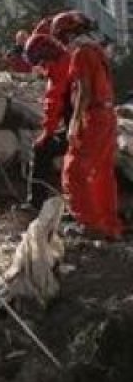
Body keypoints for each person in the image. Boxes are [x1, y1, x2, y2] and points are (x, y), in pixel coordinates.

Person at [52, 12, 122, 238]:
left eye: (61, 37)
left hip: (93, 116)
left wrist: (75, 122)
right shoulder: (96, 50)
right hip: (107, 114)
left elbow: (84, 91)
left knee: (73, 170)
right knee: (103, 173)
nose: (62, 43)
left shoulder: (81, 53)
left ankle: (89, 225)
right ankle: (109, 226)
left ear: (68, 33)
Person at [23, 32, 73, 209]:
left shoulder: (59, 70)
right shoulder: (71, 59)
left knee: (41, 149)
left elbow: (54, 105)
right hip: (86, 124)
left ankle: (36, 203)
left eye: (41, 62)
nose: (42, 67)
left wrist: (46, 134)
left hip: (79, 130)